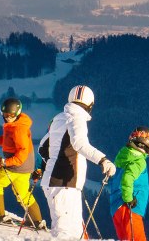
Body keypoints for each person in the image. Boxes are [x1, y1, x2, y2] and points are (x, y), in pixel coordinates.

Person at [39, 84, 116, 239]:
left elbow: (42, 147)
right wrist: (102, 160)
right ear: (90, 104)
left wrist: (52, 164)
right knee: (66, 234)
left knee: (72, 232)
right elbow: (79, 143)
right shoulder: (77, 117)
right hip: (64, 184)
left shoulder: (58, 118)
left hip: (57, 183)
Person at [0, 97, 46, 228]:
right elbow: (10, 141)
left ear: (17, 114)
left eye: (11, 115)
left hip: (16, 166)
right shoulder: (16, 125)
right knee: (22, 194)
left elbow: (21, 152)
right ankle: (37, 220)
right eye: (6, 115)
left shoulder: (18, 129)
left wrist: (6, 162)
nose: (8, 117)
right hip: (25, 167)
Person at [109, 126, 149, 241]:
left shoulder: (123, 157)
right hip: (129, 206)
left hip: (116, 207)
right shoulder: (139, 160)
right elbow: (127, 178)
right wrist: (129, 198)